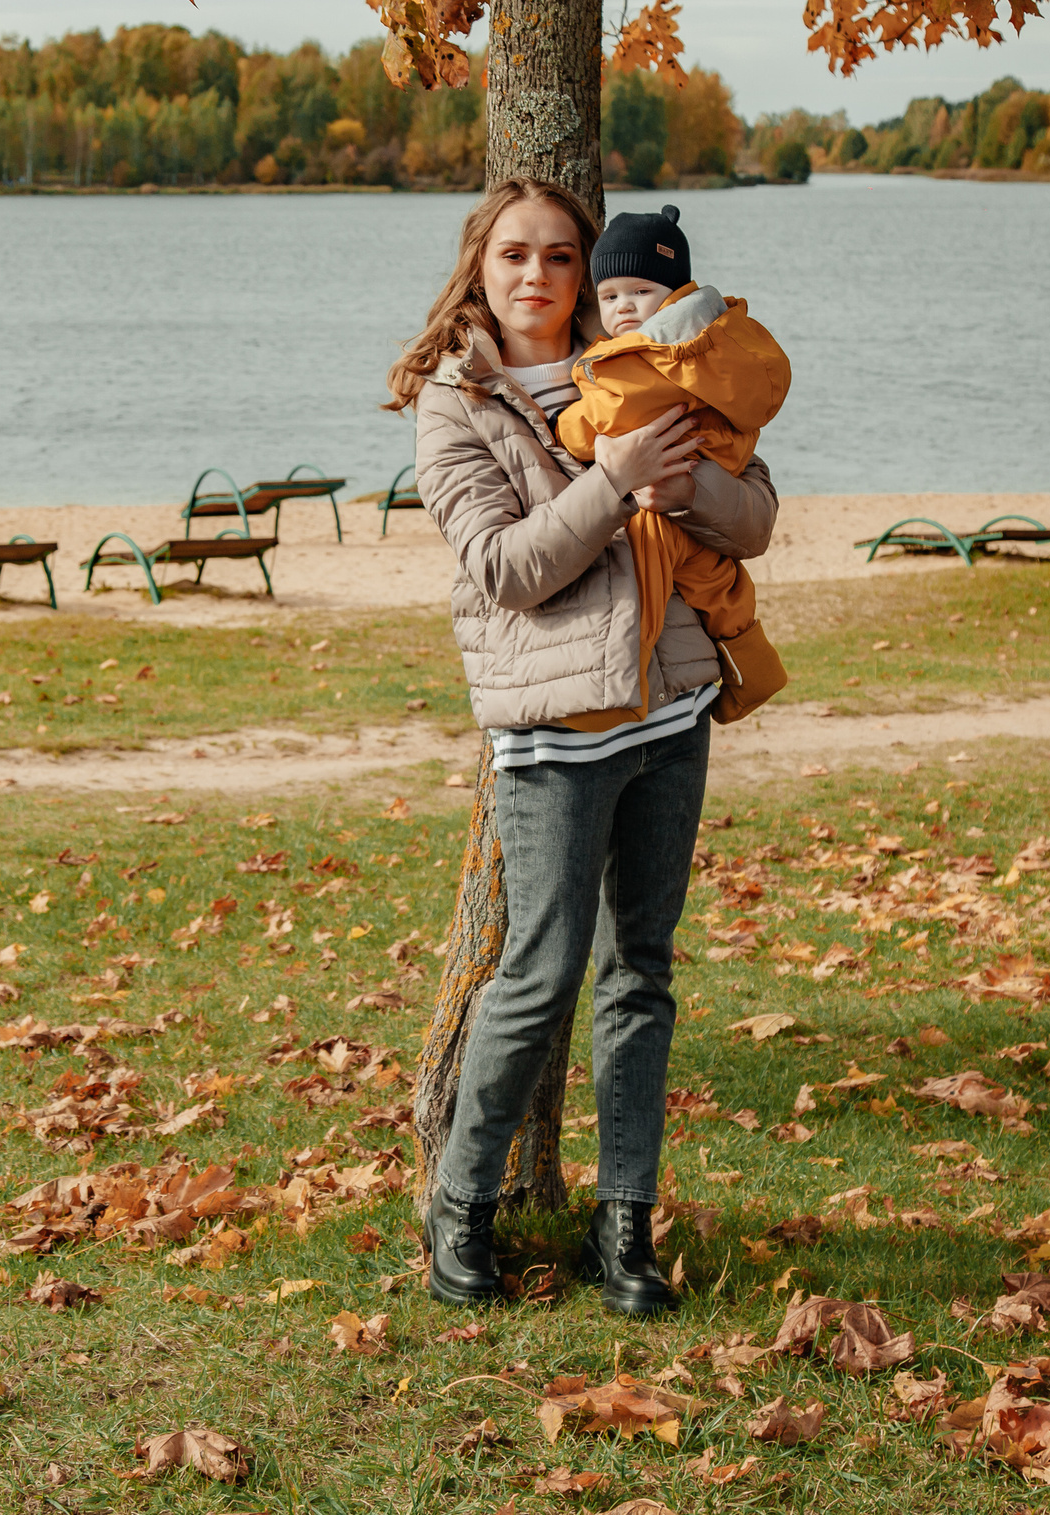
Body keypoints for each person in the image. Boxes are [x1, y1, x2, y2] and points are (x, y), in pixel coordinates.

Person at [389, 178, 776, 1317]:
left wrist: (680, 472)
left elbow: (752, 519)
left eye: (560, 256)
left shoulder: (653, 365)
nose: (538, 277)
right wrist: (614, 483)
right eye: (514, 255)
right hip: (555, 736)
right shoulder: (456, 404)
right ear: (480, 265)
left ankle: (626, 1230)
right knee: (541, 973)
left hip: (669, 715)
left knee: (640, 976)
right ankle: (459, 1205)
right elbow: (506, 569)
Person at [553, 205, 792, 722]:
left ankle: (627, 679)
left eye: (641, 292)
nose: (623, 309)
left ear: (674, 294)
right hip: (711, 469)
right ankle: (755, 669)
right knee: (717, 585)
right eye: (610, 296)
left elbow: (609, 412)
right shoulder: (713, 340)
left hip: (675, 483)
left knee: (647, 576)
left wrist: (566, 424)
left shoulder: (660, 351)